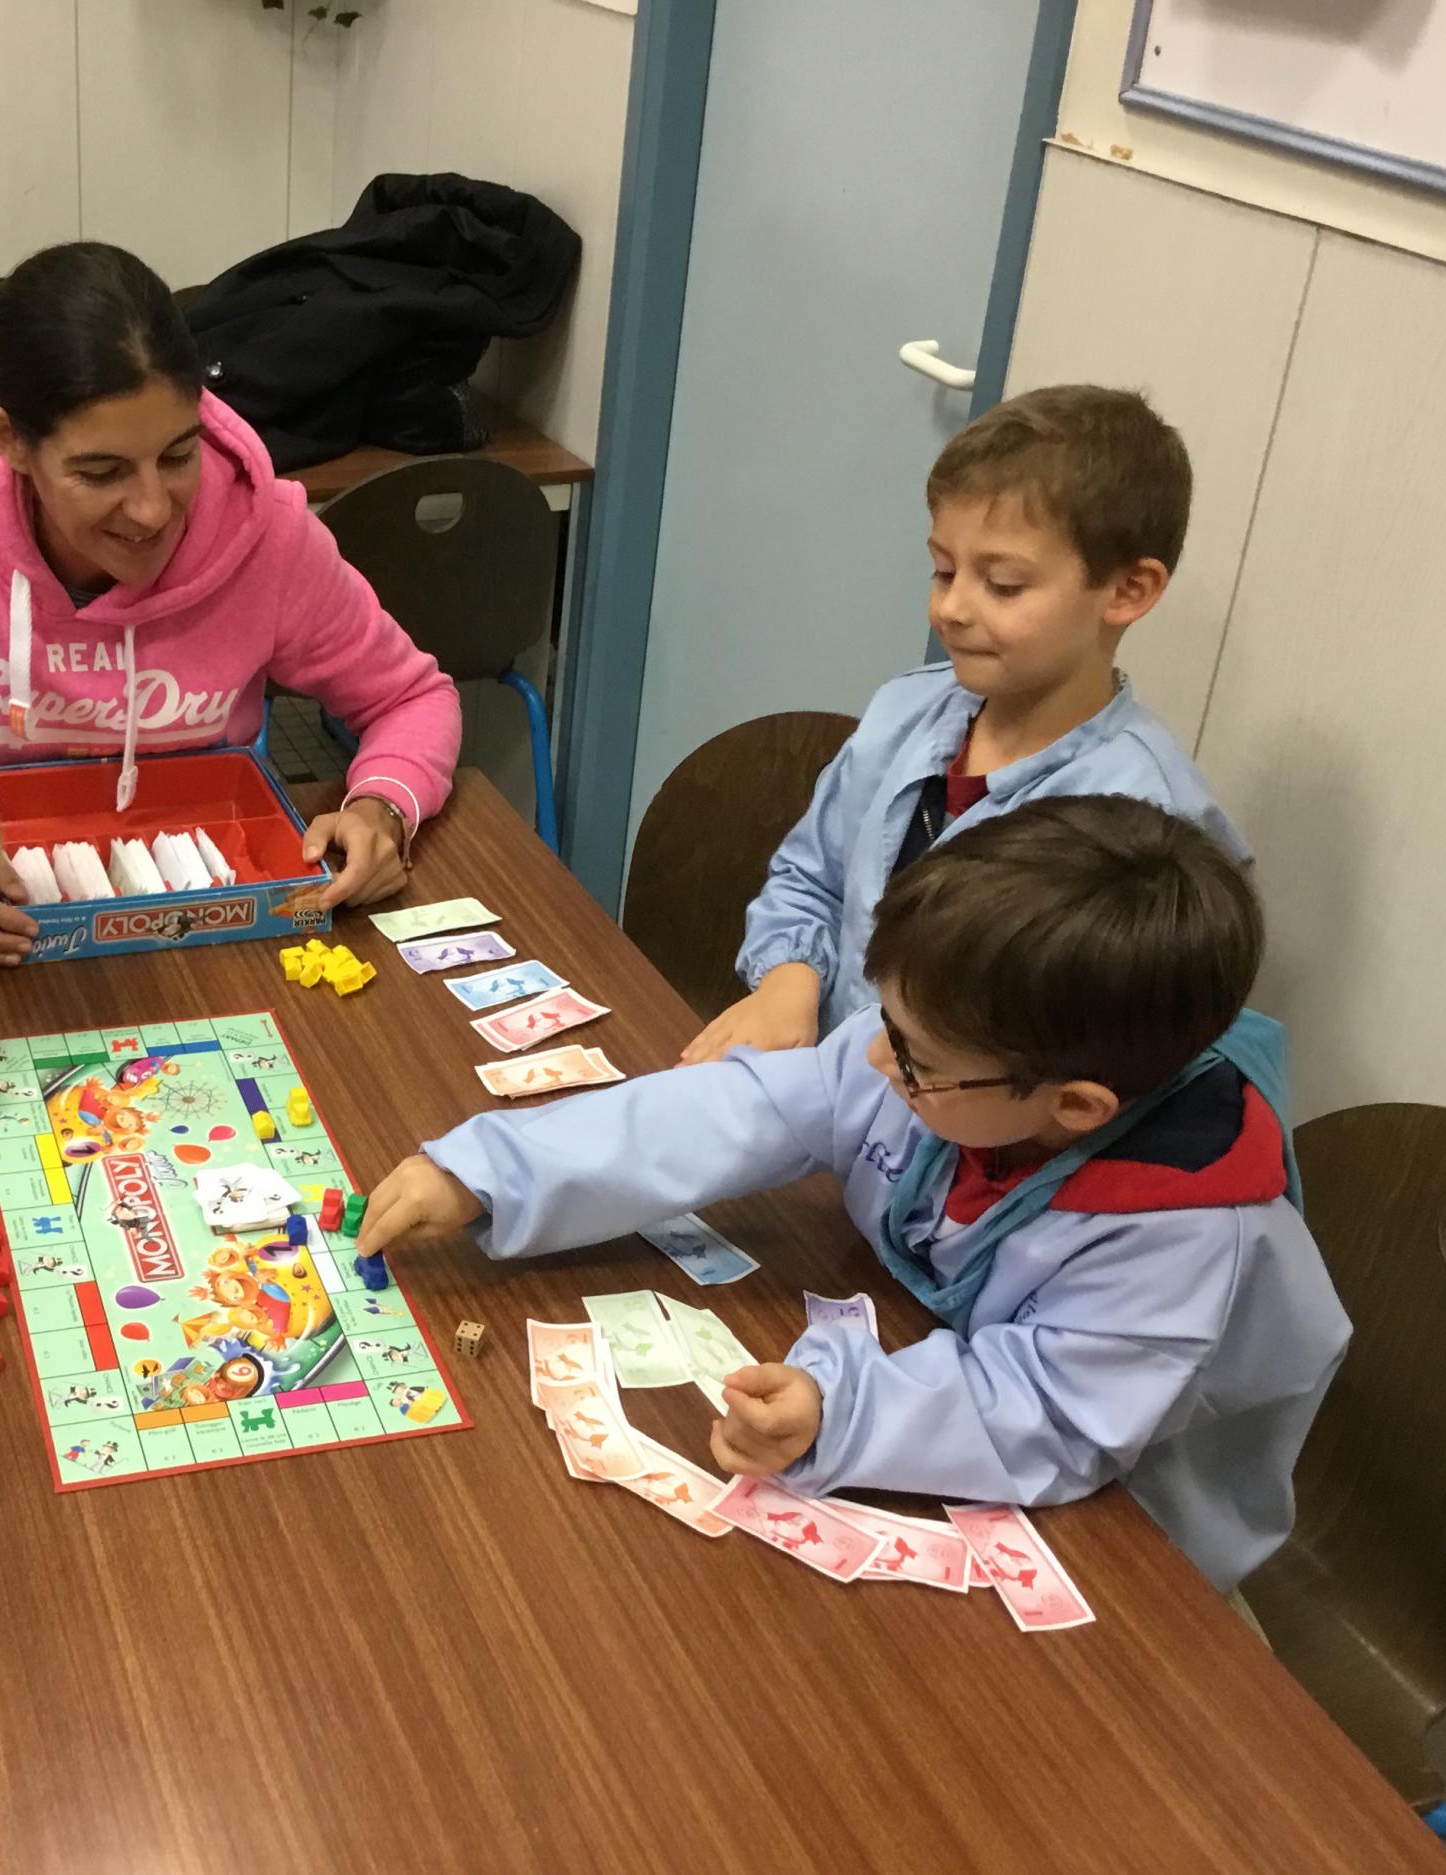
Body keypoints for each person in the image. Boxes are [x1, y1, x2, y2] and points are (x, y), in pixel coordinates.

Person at [359, 797, 1349, 1590]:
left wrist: (838, 1411)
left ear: (1076, 1105)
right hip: (964, 1381)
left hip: (1146, 1529)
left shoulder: (1185, 1232)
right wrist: (496, 1172)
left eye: (913, 1058)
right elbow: (744, 1107)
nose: (875, 1059)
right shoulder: (964, 1055)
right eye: (885, 1020)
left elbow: (1049, 1412)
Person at [0, 240, 464, 959]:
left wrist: (382, 806)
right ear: (10, 440)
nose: (152, 509)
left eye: (178, 455)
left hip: (210, 921)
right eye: (101, 472)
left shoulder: (268, 536)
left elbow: (412, 698)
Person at [685, 385, 1248, 1063]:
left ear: (1128, 591)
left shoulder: (1152, 825)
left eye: (1003, 585)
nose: (951, 608)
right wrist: (789, 981)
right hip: (823, 1091)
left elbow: (1113, 1057)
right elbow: (811, 876)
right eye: (943, 570)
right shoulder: (904, 713)